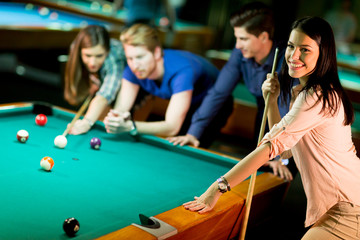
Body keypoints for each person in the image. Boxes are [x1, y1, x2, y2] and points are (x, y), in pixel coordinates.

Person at [183, 16, 360, 239]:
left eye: (305, 49)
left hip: (348, 209)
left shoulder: (317, 96)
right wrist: (272, 101)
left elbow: (270, 148)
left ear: (322, 53)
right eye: (290, 46)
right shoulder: (307, 93)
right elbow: (286, 151)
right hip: (346, 203)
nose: (293, 56)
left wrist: (216, 188)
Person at [167, 2, 296, 180]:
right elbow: (218, 93)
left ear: (264, 37)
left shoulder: (287, 62)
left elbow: (285, 111)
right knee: (258, 172)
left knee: (278, 176)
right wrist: (193, 132)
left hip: (293, 126)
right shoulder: (240, 55)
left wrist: (278, 156)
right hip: (263, 116)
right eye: (237, 38)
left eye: (243, 39)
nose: (237, 45)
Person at [103, 23, 229, 138]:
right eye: (130, 58)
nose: (135, 65)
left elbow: (172, 127)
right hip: (183, 102)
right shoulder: (132, 69)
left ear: (157, 53)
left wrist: (131, 126)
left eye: (140, 57)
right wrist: (115, 119)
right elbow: (120, 109)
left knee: (183, 144)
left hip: (213, 106)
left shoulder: (182, 72)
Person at [64, 25, 126, 135]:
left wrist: (87, 122)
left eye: (99, 56)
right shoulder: (76, 46)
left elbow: (105, 95)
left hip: (138, 94)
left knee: (112, 125)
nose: (92, 62)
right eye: (88, 55)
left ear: (107, 51)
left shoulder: (114, 58)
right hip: (109, 90)